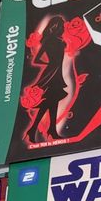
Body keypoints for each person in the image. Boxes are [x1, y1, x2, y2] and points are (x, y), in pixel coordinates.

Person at [24, 15, 67, 143]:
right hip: (51, 74)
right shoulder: (50, 40)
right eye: (61, 26)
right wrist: (50, 65)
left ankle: (45, 130)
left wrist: (51, 65)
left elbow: (38, 59)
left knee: (52, 102)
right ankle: (45, 130)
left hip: (56, 73)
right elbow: (36, 59)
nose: (63, 29)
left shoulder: (54, 40)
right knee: (50, 102)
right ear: (55, 27)